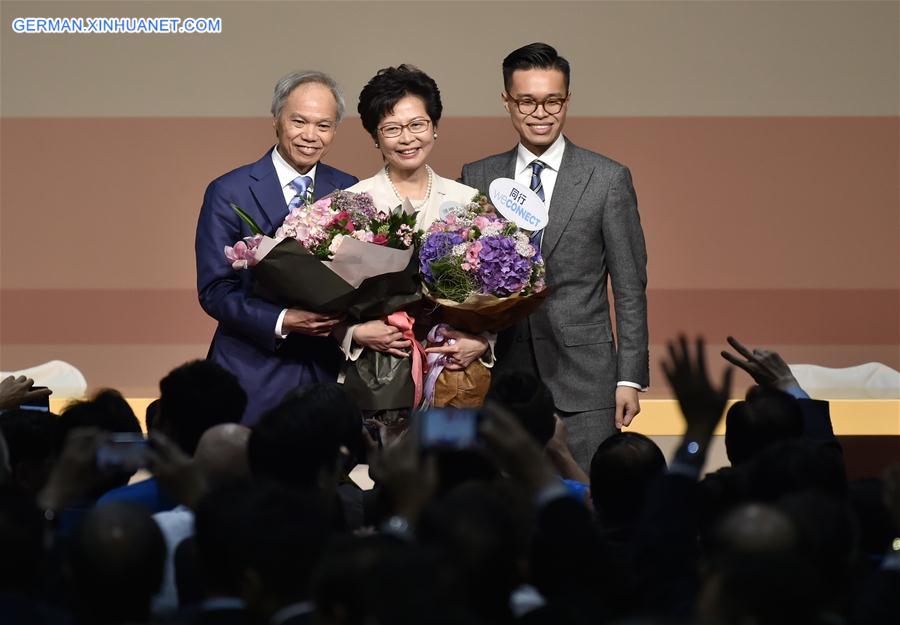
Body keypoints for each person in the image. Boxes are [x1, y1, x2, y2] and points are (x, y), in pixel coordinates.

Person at [460, 43, 649, 470]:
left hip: (585, 378)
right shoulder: (478, 176)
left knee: (587, 507)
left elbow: (630, 285)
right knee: (507, 508)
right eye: (527, 100)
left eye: (553, 101)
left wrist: (629, 377)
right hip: (502, 373)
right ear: (507, 101)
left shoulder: (607, 179)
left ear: (567, 100)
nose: (540, 112)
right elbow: (463, 276)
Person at [195, 71, 358, 425]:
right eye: (299, 121)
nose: (310, 136)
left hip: (326, 371)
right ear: (276, 119)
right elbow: (215, 290)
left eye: (324, 125)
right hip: (251, 371)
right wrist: (285, 320)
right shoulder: (229, 191)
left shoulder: (350, 190)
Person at [344, 65, 491, 372]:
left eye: (417, 124)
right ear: (375, 137)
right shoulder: (353, 204)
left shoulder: (469, 201)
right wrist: (352, 333)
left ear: (435, 126)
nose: (407, 138)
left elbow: (498, 292)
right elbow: (326, 298)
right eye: (392, 128)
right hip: (378, 373)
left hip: (452, 371)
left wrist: (483, 342)